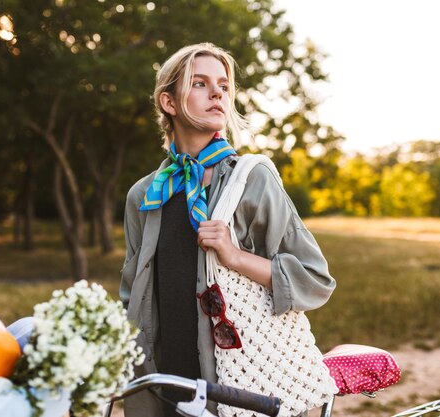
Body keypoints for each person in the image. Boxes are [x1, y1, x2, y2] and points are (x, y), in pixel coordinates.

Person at [120, 43, 336, 417]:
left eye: (223, 85)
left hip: (237, 384)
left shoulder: (252, 179)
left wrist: (234, 256)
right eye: (199, 83)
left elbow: (315, 279)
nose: (218, 92)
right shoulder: (146, 194)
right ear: (169, 103)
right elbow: (132, 296)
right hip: (165, 382)